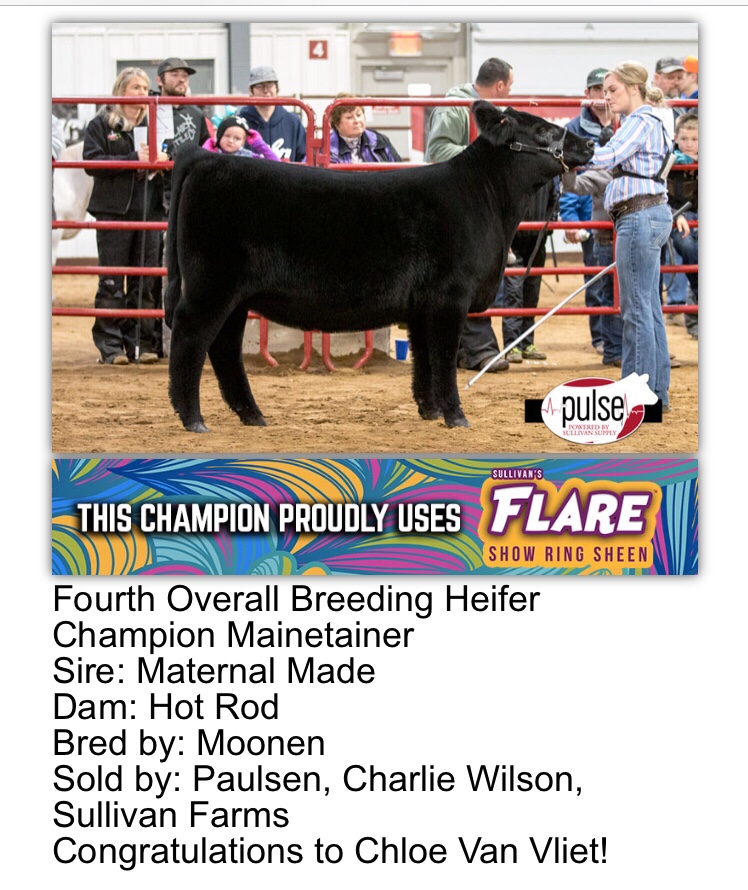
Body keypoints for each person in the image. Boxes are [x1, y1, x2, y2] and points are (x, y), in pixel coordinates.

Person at [587, 61, 675, 411]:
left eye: (613, 90)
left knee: (635, 308)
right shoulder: (649, 119)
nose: (606, 97)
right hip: (648, 214)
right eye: (605, 91)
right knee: (648, 307)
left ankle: (635, 398)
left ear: (634, 88)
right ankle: (656, 394)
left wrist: (568, 152)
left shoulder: (640, 120)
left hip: (638, 217)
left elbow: (607, 156)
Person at [425, 57, 515, 373]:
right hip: (454, 203)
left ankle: (461, 352)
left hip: (470, 203)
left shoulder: (487, 110)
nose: (510, 92)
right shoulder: (455, 107)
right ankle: (480, 350)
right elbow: (437, 150)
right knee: (467, 275)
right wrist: (483, 156)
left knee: (460, 278)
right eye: (510, 86)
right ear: (500, 85)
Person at [83, 67, 168, 365]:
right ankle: (111, 346)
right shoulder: (101, 124)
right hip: (113, 212)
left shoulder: (155, 125)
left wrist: (163, 161)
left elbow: (169, 159)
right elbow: (91, 162)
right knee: (111, 280)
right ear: (121, 91)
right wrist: (133, 159)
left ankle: (142, 344)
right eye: (136, 87)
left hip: (149, 210)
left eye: (145, 88)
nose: (142, 93)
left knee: (145, 280)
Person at [151, 57, 211, 358]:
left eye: (184, 75)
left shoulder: (196, 113)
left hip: (185, 193)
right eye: (174, 74)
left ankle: (177, 336)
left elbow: (207, 148)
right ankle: (151, 338)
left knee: (181, 265)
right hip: (153, 192)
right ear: (160, 80)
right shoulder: (149, 109)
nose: (182, 79)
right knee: (152, 264)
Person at [560, 67, 615, 355]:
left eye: (607, 90)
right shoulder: (574, 129)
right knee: (596, 281)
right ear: (588, 93)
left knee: (618, 282)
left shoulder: (624, 121)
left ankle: (617, 340)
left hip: (613, 214)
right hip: (591, 216)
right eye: (597, 90)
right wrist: (570, 220)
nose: (602, 96)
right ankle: (602, 339)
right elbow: (568, 176)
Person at [561, 167, 623, 367]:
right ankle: (606, 342)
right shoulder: (599, 171)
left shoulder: (627, 172)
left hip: (616, 235)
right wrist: (572, 221)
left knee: (614, 292)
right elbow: (572, 190)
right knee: (604, 291)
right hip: (601, 236)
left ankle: (618, 345)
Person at [501, 182, 557, 363]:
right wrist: (505, 236)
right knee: (514, 293)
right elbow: (503, 202)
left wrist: (548, 227)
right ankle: (512, 345)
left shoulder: (549, 176)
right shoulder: (515, 170)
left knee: (532, 293)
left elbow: (554, 200)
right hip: (515, 240)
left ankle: (527, 343)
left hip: (537, 240)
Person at [667, 112, 699, 339]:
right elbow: (658, 193)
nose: (689, 144)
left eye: (695, 139)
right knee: (687, 245)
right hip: (675, 216)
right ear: (676, 138)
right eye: (684, 138)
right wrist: (674, 214)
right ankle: (699, 297)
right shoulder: (668, 161)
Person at [238, 66, 307, 162]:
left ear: (277, 88)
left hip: (286, 172)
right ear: (250, 90)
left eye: (270, 84)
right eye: (259, 86)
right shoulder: (240, 122)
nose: (266, 90)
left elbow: (305, 157)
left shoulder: (293, 122)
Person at [329, 94, 402, 163]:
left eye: (359, 115)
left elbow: (399, 169)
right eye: (349, 117)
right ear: (336, 124)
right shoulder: (327, 148)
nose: (357, 121)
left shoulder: (380, 141)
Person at [202, 114, 280, 160]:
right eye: (227, 136)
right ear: (219, 135)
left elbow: (276, 164)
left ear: (243, 141)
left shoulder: (248, 156)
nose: (231, 141)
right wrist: (207, 148)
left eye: (237, 138)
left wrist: (259, 144)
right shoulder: (212, 154)